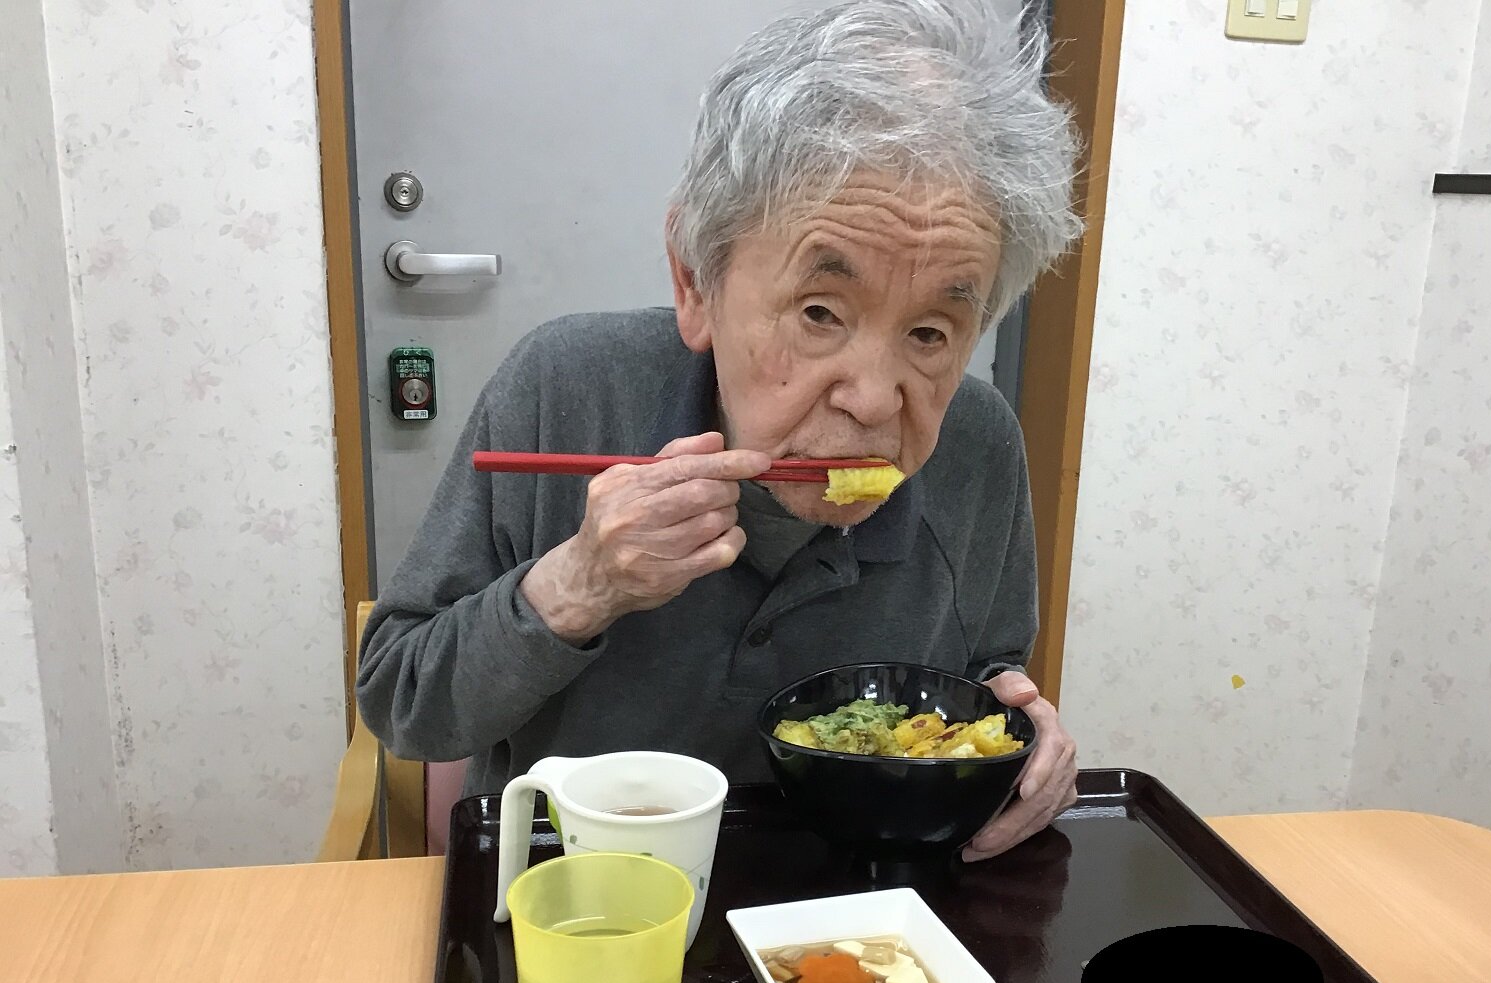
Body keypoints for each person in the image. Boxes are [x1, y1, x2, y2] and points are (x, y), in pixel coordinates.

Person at [357, 0, 1082, 862]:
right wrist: (580, 584)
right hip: (585, 890)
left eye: (930, 333)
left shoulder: (976, 445)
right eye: (820, 312)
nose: (873, 401)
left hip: (857, 896)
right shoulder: (565, 387)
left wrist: (1027, 746)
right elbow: (403, 706)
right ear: (696, 283)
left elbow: (989, 677)